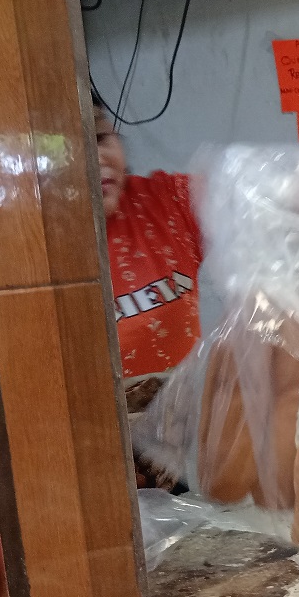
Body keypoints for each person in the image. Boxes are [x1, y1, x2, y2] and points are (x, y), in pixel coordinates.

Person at [94, 94, 203, 383]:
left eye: (100, 136)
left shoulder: (163, 203)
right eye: (67, 147)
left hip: (184, 419)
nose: (96, 158)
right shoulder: (29, 256)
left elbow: (244, 191)